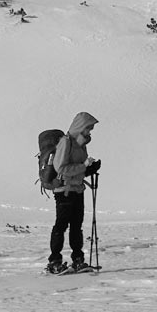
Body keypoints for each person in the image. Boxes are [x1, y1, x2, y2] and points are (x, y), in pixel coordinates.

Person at [47, 111, 100, 274]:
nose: (89, 132)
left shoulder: (80, 144)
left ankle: (78, 260)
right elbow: (61, 168)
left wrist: (89, 169)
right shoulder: (66, 142)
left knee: (76, 226)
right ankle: (54, 262)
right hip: (64, 190)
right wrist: (84, 166)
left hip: (77, 189)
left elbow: (76, 168)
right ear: (80, 127)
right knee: (61, 225)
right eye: (88, 128)